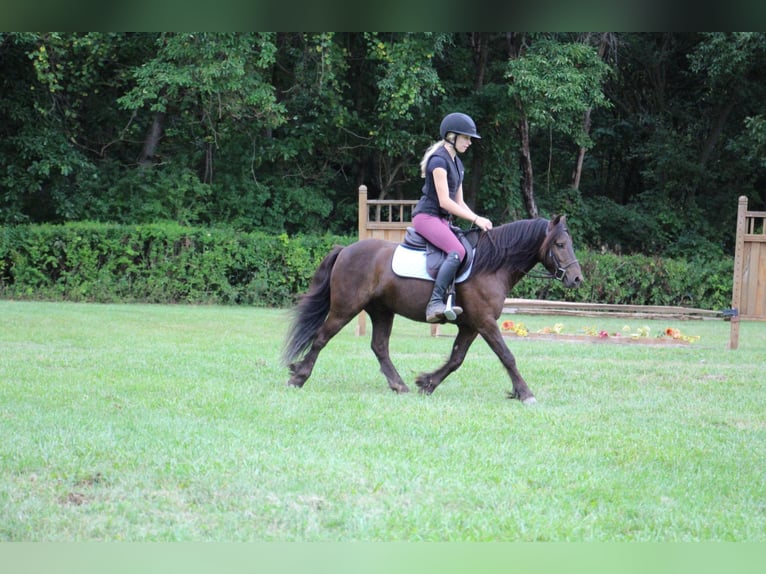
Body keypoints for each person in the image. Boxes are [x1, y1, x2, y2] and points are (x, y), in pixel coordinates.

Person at [412, 112, 493, 323]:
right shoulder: (438, 161)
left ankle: (452, 297)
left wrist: (478, 218)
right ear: (451, 136)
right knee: (456, 251)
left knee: (467, 249)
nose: (469, 142)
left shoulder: (457, 164)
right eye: (466, 138)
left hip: (442, 220)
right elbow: (444, 202)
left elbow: (459, 202)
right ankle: (435, 303)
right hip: (426, 217)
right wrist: (475, 220)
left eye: (469, 139)